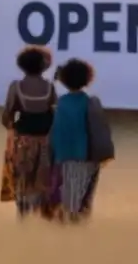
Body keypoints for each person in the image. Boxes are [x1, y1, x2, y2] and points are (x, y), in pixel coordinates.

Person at [0, 46, 57, 218]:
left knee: (22, 182)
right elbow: (55, 114)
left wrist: (11, 130)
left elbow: (7, 115)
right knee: (42, 183)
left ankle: (23, 219)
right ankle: (39, 219)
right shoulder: (49, 87)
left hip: (22, 141)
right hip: (46, 141)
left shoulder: (16, 87)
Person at [49, 59, 102, 222]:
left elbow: (56, 133)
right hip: (89, 156)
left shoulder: (61, 104)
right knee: (85, 200)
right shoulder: (91, 102)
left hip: (68, 156)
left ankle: (70, 237)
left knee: (70, 202)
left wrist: (53, 156)